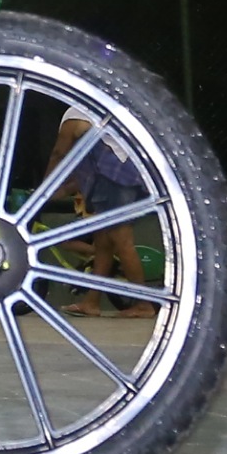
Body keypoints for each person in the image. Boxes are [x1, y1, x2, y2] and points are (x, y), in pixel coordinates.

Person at [46, 112, 154, 319]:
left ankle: (143, 304)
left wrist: (46, 187)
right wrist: (62, 189)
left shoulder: (74, 113)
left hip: (115, 177)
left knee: (122, 240)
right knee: (103, 243)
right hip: (126, 174)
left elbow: (59, 153)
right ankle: (92, 302)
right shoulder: (94, 109)